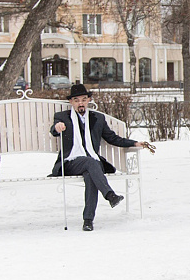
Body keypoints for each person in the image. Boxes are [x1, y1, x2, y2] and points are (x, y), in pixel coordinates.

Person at [50, 83, 155, 231]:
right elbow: (54, 130)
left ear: (88, 101)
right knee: (91, 163)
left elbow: (112, 138)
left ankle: (88, 220)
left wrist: (135, 143)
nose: (81, 103)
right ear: (71, 102)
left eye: (84, 99)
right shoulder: (62, 117)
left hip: (91, 163)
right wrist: (57, 127)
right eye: (77, 100)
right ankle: (110, 195)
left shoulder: (97, 118)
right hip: (70, 163)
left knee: (91, 173)